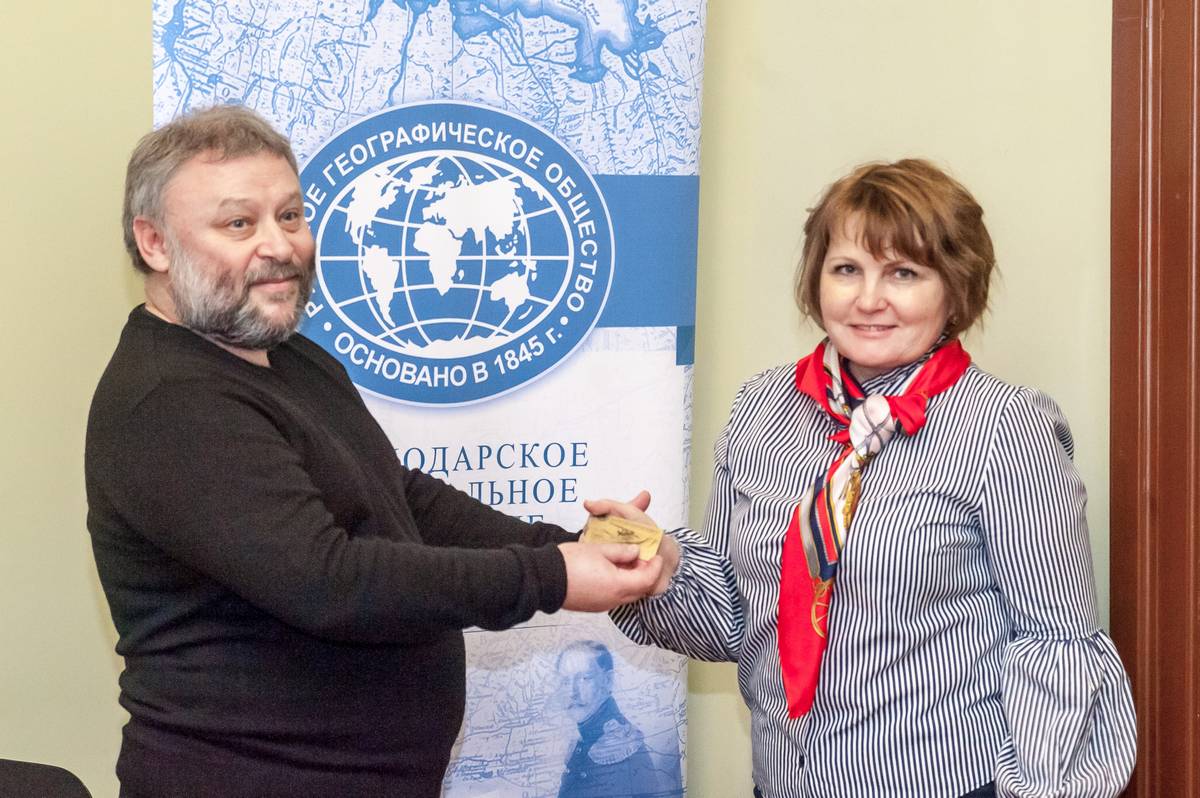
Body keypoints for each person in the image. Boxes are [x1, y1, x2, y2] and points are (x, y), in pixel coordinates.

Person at [85, 104, 662, 798]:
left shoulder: (291, 359)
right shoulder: (172, 401)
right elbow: (330, 582)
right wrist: (551, 576)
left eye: (290, 216)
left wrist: (570, 545)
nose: (279, 246)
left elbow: (399, 497)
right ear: (153, 243)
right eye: (239, 224)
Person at [595, 159, 1137, 797]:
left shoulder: (1006, 424)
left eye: (903, 273)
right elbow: (740, 622)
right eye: (847, 269)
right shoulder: (760, 408)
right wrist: (662, 562)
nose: (868, 299)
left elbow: (1057, 640)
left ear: (955, 289)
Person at [554, 641, 682, 798]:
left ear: (608, 681)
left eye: (585, 678)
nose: (572, 692)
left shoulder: (620, 746)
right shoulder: (584, 740)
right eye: (565, 681)